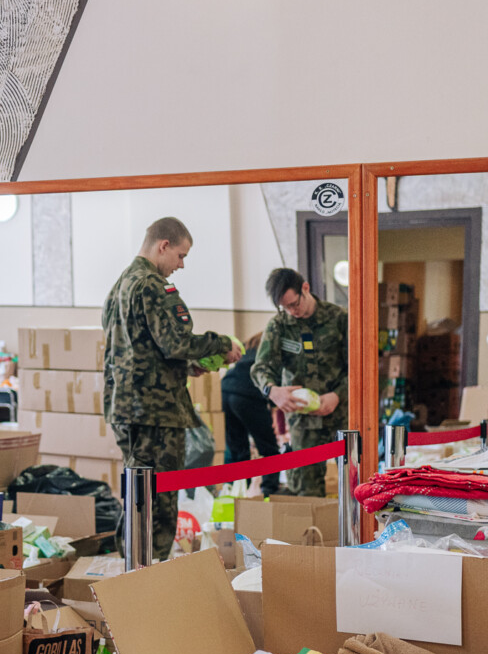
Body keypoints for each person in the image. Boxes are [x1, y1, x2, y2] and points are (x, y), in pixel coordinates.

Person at [102, 217, 239, 561]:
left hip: (125, 408)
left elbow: (139, 350)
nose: (181, 265)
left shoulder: (119, 286)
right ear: (163, 246)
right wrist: (221, 344)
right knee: (159, 503)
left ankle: (130, 568)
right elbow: (176, 342)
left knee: (138, 497)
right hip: (155, 412)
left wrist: (185, 367)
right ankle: (152, 572)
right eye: (180, 255)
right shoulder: (152, 286)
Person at [251, 267, 349, 497]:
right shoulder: (279, 325)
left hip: (342, 415)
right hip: (303, 421)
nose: (292, 311)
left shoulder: (339, 318)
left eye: (294, 304)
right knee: (306, 492)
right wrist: (272, 391)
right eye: (285, 307)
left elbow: (359, 368)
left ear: (305, 288)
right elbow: (261, 368)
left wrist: (338, 395)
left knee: (353, 485)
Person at [222, 332, 282, 496]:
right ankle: (269, 491)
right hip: (247, 394)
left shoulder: (248, 346)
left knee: (237, 448)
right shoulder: (271, 347)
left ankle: (234, 491)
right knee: (269, 448)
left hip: (226, 389)